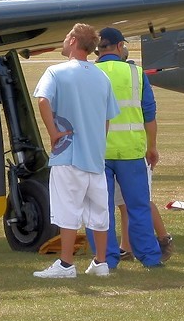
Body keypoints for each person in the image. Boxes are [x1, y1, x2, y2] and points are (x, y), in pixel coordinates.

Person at [32, 23, 120, 279]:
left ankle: (66, 264)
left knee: (67, 210)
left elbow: (42, 100)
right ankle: (101, 262)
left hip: (68, 152)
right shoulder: (101, 76)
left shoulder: (55, 72)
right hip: (95, 156)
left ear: (72, 41)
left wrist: (53, 132)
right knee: (100, 211)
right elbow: (107, 118)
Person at [94, 27, 167, 268]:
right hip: (131, 152)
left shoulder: (91, 73)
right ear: (119, 46)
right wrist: (152, 147)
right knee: (138, 207)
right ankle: (150, 257)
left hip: (98, 152)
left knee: (100, 209)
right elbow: (149, 114)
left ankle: (106, 259)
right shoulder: (136, 73)